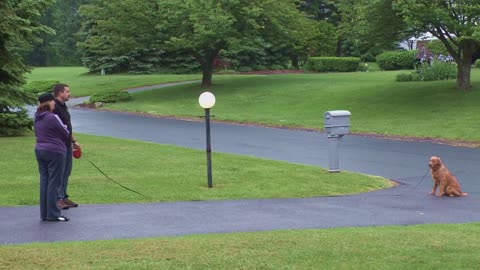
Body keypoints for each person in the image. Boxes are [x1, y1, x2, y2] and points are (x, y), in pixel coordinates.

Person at [34, 93, 70, 222]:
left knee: (45, 181)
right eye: (53, 101)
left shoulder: (37, 116)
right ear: (49, 102)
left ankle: (44, 214)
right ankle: (53, 214)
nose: (54, 103)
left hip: (39, 150)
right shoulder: (53, 117)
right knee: (54, 183)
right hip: (54, 151)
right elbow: (65, 133)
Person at [52, 83, 80, 210]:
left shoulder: (64, 106)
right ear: (60, 93)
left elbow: (67, 126)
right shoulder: (54, 107)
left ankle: (63, 196)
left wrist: (74, 141)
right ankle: (58, 199)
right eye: (67, 92)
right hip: (59, 144)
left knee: (67, 171)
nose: (69, 94)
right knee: (60, 171)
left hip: (67, 143)